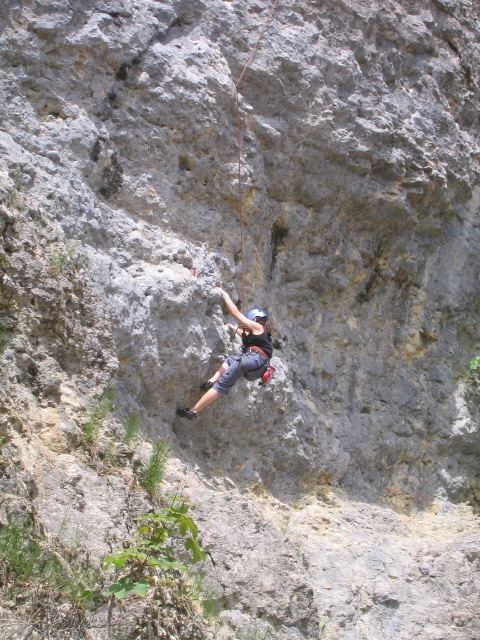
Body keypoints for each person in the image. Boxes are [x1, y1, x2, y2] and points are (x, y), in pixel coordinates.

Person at [176, 287, 273, 420]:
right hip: (258, 364)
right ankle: (211, 381)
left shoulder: (257, 326)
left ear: (255, 319)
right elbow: (246, 335)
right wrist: (233, 328)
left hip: (251, 358)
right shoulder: (263, 335)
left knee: (221, 386)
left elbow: (235, 313)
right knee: (230, 360)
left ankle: (193, 411)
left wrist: (225, 295)